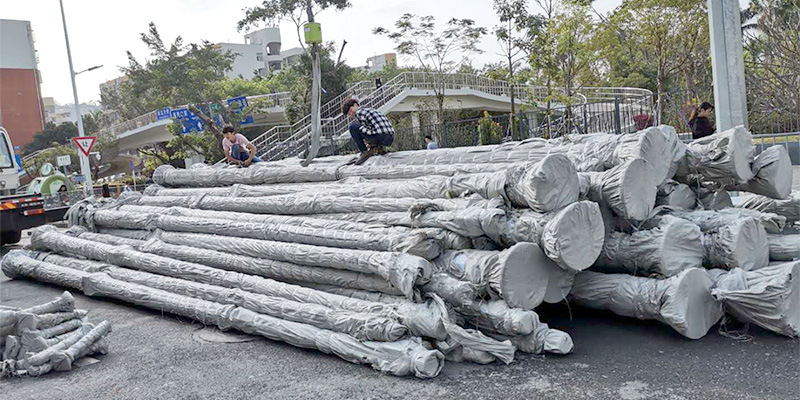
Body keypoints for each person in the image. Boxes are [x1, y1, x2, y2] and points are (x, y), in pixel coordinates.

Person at [342, 99, 395, 165]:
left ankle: (364, 151)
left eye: (350, 111)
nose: (351, 114)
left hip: (380, 136)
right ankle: (378, 148)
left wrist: (367, 142)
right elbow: (370, 128)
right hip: (390, 137)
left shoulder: (359, 112)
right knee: (362, 129)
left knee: (353, 127)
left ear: (355, 105)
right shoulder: (370, 110)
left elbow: (365, 129)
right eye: (349, 114)